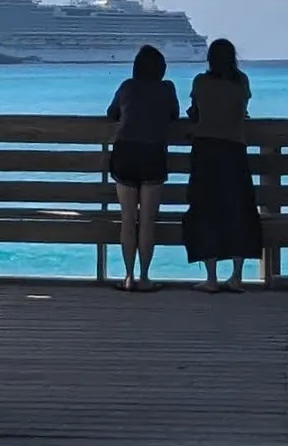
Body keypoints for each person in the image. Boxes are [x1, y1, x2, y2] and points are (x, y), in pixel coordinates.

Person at [181, 37, 264, 290]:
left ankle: (211, 278)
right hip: (235, 151)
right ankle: (237, 277)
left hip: (205, 151)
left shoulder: (201, 81)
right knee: (239, 211)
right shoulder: (241, 82)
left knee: (205, 211)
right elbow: (242, 108)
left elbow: (196, 110)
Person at [105, 43, 184, 289]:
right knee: (148, 219)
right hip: (152, 153)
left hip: (125, 152)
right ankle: (145, 277)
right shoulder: (167, 88)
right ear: (161, 69)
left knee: (128, 218)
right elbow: (175, 115)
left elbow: (111, 113)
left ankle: (128, 277)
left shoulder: (127, 86)